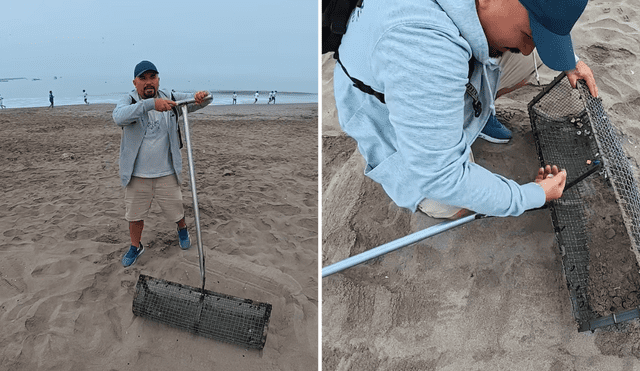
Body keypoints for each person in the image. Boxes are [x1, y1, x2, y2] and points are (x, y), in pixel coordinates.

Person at [332, 0, 598, 219]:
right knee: (452, 204)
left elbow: (529, 33)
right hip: (386, 108)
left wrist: (568, 59)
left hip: (428, 76)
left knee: (532, 57)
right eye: (529, 34)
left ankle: (475, 114)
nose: (528, 48)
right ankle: (450, 121)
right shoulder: (424, 47)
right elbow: (443, 178)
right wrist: (534, 195)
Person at [112, 60, 211, 267]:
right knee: (135, 215)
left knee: (176, 209)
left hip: (166, 171)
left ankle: (182, 230)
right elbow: (118, 117)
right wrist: (150, 105)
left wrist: (203, 97)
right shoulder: (129, 101)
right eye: (143, 78)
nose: (149, 82)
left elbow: (199, 101)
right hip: (137, 175)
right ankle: (135, 246)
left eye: (152, 77)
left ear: (158, 80)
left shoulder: (170, 97)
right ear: (135, 82)